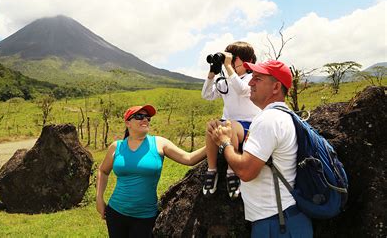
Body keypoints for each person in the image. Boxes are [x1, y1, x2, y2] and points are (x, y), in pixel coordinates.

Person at [207, 60, 313, 237]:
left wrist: (225, 142)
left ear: (276, 87)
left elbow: (246, 171)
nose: (250, 82)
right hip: (284, 219)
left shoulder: (268, 120)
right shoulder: (285, 116)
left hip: (277, 223)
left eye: (257, 79)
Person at [96, 105, 207, 238]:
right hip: (116, 213)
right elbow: (103, 171)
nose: (145, 120)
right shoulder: (117, 146)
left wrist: (214, 142)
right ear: (127, 123)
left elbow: (189, 158)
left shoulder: (159, 143)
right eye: (139, 116)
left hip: (145, 217)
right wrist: (99, 198)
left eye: (148, 117)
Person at [202, 41, 261, 197]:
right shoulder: (226, 80)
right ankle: (212, 170)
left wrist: (228, 68)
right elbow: (207, 95)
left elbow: (242, 90)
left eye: (233, 57)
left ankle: (231, 171)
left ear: (247, 61)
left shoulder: (253, 78)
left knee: (230, 125)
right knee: (211, 126)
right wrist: (211, 74)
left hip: (247, 125)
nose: (230, 60)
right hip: (228, 124)